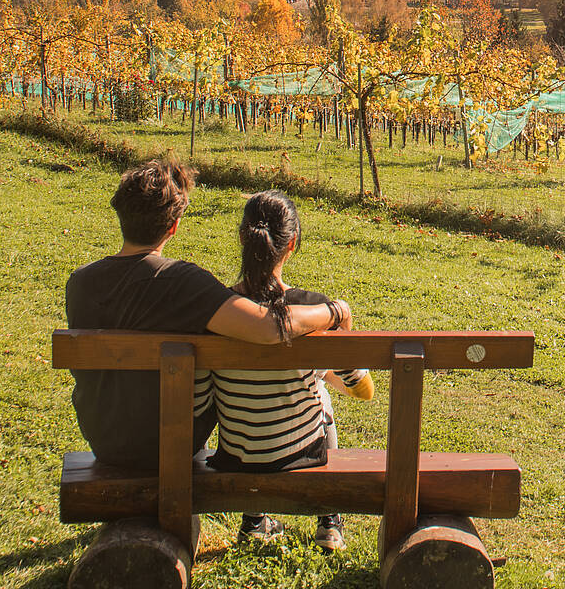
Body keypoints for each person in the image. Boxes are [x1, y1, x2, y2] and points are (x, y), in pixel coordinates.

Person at [64, 158, 351, 471]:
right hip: (168, 441)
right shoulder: (180, 281)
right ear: (174, 226)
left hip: (104, 440)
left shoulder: (81, 281)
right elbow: (268, 327)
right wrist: (335, 311)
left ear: (121, 214)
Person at [195, 190, 371, 551]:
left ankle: (255, 521)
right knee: (319, 393)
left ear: (243, 238)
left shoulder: (219, 312)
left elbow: (200, 401)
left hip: (239, 458)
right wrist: (328, 370)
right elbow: (362, 387)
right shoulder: (314, 310)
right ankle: (329, 521)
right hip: (302, 455)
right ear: (292, 244)